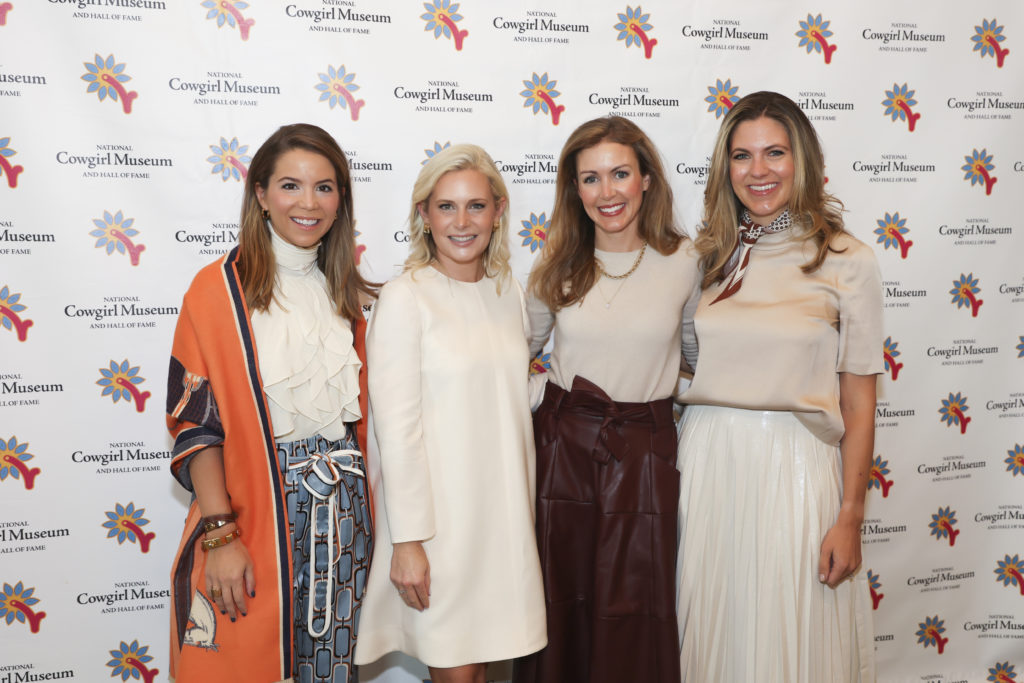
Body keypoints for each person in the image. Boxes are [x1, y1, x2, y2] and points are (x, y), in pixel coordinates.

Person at [675, 91, 881, 682]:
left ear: (803, 160)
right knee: (713, 633)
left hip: (797, 468)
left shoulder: (847, 259)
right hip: (707, 463)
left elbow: (858, 401)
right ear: (726, 167)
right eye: (742, 156)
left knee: (791, 637)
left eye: (775, 153)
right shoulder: (706, 258)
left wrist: (850, 515)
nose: (758, 171)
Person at [166, 123, 376, 683]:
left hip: (345, 511)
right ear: (260, 193)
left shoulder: (348, 293)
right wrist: (220, 535)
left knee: (331, 668)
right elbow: (196, 426)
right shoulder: (215, 290)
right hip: (254, 509)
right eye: (290, 186)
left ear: (341, 200)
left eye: (324, 187)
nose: (308, 203)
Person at [514, 116, 700, 683]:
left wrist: (670, 398)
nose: (607, 192)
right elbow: (514, 353)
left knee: (639, 606)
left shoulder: (687, 261)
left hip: (647, 453)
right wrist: (548, 401)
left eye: (620, 173)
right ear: (575, 189)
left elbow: (699, 357)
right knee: (560, 603)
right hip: (565, 454)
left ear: (647, 179)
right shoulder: (557, 262)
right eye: (590, 178)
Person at [354, 144, 546, 683]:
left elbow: (507, 394)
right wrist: (408, 542)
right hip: (439, 530)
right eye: (446, 207)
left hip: (503, 521)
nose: (462, 222)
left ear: (498, 211)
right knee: (458, 674)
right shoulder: (405, 298)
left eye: (476, 206)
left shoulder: (509, 292)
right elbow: (396, 431)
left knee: (484, 672)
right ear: (424, 215)